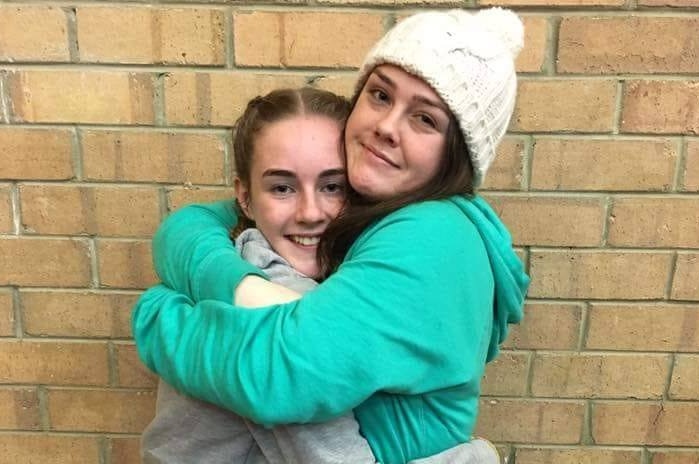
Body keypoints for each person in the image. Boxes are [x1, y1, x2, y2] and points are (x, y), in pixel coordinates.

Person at [133, 7, 529, 464]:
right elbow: (198, 222)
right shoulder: (368, 204)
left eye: (425, 119)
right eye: (381, 95)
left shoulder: (432, 236)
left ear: (456, 152)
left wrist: (160, 317)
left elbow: (282, 377)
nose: (386, 126)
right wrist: (238, 284)